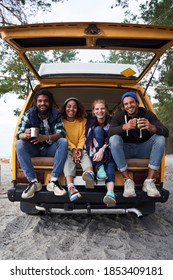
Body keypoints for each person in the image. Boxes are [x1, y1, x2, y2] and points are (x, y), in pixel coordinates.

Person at [109, 91, 169, 198]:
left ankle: (149, 181)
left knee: (160, 137)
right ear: (123, 106)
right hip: (126, 150)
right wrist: (125, 127)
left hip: (143, 149)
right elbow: (110, 132)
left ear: (137, 103)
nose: (129, 106)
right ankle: (128, 181)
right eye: (126, 104)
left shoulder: (147, 114)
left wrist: (151, 127)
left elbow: (166, 131)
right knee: (114, 139)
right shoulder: (119, 115)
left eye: (131, 102)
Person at [16, 89, 68, 199]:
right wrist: (25, 135)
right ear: (35, 102)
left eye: (46, 101)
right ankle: (33, 182)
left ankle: (53, 181)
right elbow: (19, 134)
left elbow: (61, 133)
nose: (42, 103)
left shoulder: (56, 114)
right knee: (19, 143)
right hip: (34, 148)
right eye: (40, 101)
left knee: (63, 141)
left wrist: (45, 137)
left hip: (50, 148)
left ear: (50, 102)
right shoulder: (29, 114)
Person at [61, 97, 95, 202]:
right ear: (65, 108)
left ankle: (89, 174)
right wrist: (73, 149)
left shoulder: (83, 121)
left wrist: (79, 149)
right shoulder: (61, 121)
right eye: (69, 106)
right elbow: (64, 137)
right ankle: (71, 187)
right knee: (67, 159)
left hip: (80, 147)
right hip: (68, 148)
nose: (71, 109)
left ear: (78, 109)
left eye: (74, 107)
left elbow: (82, 136)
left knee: (85, 155)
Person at [85, 99, 116, 207]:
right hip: (94, 149)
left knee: (110, 157)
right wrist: (98, 151)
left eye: (102, 108)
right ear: (93, 111)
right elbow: (88, 139)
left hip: (108, 148)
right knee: (97, 130)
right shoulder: (90, 121)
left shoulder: (112, 121)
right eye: (97, 109)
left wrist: (102, 150)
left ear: (106, 109)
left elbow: (112, 137)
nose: (100, 111)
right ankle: (100, 166)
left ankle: (110, 193)